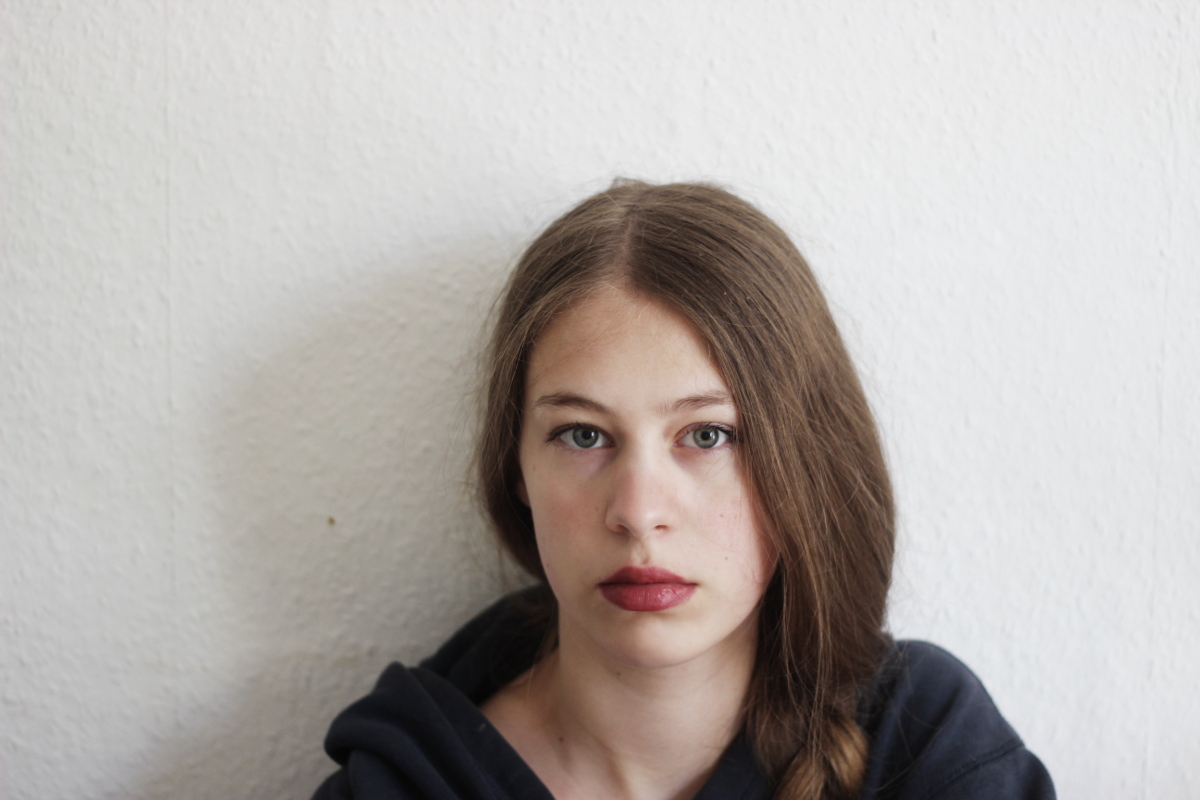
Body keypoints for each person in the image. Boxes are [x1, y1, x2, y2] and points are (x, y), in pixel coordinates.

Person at [310, 181, 1055, 800]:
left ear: (806, 464)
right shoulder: (397, 783)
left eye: (707, 436)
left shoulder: (929, 746)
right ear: (515, 467)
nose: (638, 514)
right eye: (583, 435)